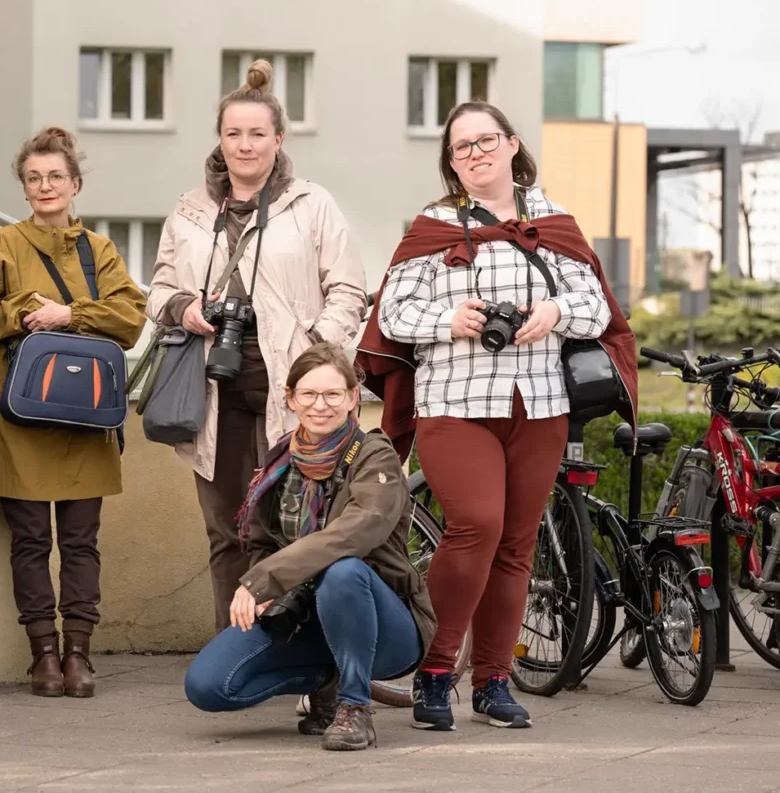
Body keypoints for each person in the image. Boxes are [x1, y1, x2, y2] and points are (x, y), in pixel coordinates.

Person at [359, 101, 631, 732]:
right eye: (462, 148)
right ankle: (434, 673)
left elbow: (598, 307)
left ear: (512, 144)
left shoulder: (555, 221)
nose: (476, 154)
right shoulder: (432, 225)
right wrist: (449, 320)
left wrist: (555, 315)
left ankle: (493, 683)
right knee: (475, 525)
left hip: (538, 403)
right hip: (455, 402)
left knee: (517, 544)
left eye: (486, 141)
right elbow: (393, 314)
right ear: (451, 163)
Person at [145, 59, 368, 634]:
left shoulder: (310, 203)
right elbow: (161, 287)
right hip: (211, 390)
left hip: (291, 394)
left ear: (278, 138)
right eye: (233, 134)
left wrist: (316, 350)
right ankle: (234, 653)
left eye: (257, 133)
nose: (245, 146)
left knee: (290, 529)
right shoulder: (192, 210)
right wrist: (184, 310)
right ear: (220, 140)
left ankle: (298, 656)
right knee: (226, 532)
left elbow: (347, 288)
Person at [182, 343, 436, 752]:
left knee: (343, 569)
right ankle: (328, 681)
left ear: (353, 398)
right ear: (290, 398)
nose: (321, 405)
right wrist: (271, 595)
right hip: (307, 617)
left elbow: (357, 531)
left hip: (386, 624)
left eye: (333, 394)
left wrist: (263, 581)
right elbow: (262, 543)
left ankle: (355, 707)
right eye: (309, 394)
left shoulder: (375, 456)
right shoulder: (280, 458)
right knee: (209, 686)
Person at [0, 128, 146, 698]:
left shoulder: (100, 250)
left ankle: (79, 656)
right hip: (15, 419)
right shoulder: (1, 246)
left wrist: (69, 315)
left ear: (75, 184)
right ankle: (42, 655)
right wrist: (25, 312)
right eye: (34, 178)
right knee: (29, 543)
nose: (45, 187)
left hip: (84, 420)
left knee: (80, 541)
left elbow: (132, 319)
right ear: (23, 188)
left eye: (55, 177)